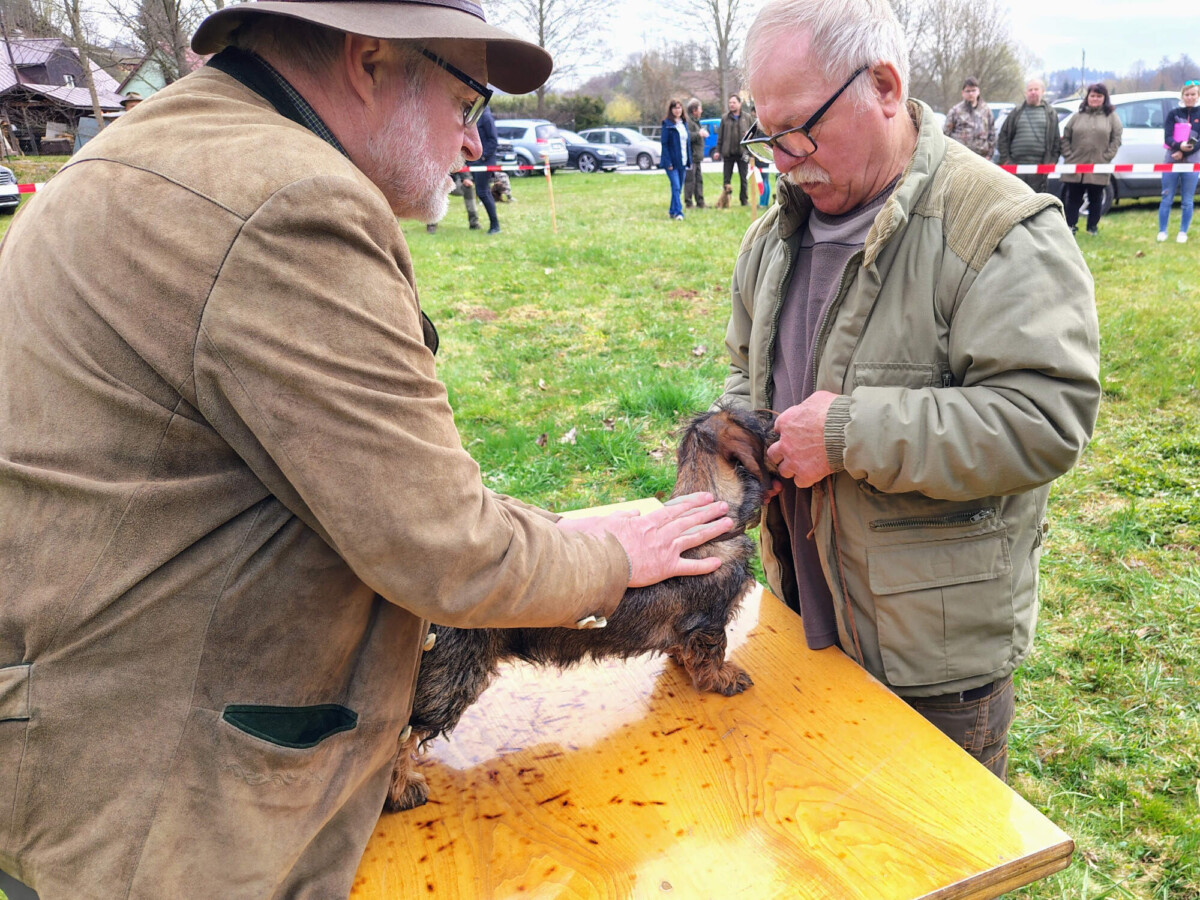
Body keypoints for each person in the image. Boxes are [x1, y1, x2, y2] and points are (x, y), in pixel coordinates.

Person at [0, 0, 736, 896]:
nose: (473, 144)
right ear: (371, 59)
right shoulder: (290, 202)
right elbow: (444, 547)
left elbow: (348, 480)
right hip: (178, 816)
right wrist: (616, 557)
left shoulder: (141, 151)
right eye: (467, 104)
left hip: (80, 748)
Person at [724, 0, 1100, 780]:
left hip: (930, 670)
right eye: (768, 136)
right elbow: (746, 368)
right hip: (799, 622)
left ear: (885, 87)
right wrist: (739, 435)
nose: (783, 159)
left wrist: (846, 434)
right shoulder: (772, 237)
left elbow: (1043, 419)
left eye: (798, 129)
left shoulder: (996, 227)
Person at [1060, 82, 1122, 236]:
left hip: (1099, 165)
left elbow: (1116, 139)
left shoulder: (1112, 118)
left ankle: (1092, 227)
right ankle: (1070, 227)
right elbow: (1065, 137)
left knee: (1096, 198)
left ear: (1104, 98)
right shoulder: (1077, 116)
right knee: (1073, 198)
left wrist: (1106, 157)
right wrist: (1069, 155)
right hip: (1075, 165)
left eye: (1099, 96)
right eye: (1092, 95)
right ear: (1088, 97)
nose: (1095, 99)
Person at [997, 77, 1062, 192]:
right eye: (1030, 90)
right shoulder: (1016, 112)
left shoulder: (1051, 114)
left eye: (1036, 89)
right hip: (1015, 167)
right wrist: (1006, 160)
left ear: (1042, 91)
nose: (1033, 92)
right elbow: (1003, 136)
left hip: (1040, 168)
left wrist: (1052, 161)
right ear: (1026, 92)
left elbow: (1056, 141)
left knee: (1036, 201)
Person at [1158, 79, 1200, 244]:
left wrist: (1185, 151)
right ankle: (1163, 231)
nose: (1189, 97)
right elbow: (1167, 136)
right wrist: (1177, 148)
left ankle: (1183, 231)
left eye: (1193, 94)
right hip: (1171, 160)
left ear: (1197, 96)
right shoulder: (1173, 113)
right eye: (1186, 94)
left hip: (1192, 161)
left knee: (1187, 200)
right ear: (1182, 95)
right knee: (1166, 197)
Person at [942, 76, 995, 158]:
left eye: (973, 90)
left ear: (978, 91)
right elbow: (946, 135)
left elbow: (992, 134)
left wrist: (989, 154)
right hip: (961, 157)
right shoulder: (955, 111)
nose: (971, 93)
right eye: (968, 91)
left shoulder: (986, 111)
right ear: (963, 93)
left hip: (982, 158)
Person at [715, 93, 751, 205]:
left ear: (740, 104)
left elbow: (752, 136)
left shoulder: (747, 118)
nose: (731, 105)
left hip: (743, 153)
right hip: (728, 153)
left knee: (743, 178)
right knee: (726, 179)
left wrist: (751, 152)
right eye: (730, 103)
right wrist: (717, 151)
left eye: (734, 102)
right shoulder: (724, 118)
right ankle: (725, 201)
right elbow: (720, 136)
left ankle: (744, 200)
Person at [471, 105, 501, 233]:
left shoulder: (486, 116)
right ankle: (494, 225)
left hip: (485, 161)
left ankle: (495, 226)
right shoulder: (476, 115)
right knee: (483, 192)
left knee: (483, 192)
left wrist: (482, 157)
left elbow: (493, 141)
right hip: (477, 162)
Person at [660, 98, 691, 220]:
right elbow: (664, 144)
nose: (677, 110)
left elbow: (687, 143)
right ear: (671, 110)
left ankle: (672, 211)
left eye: (679, 108)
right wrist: (668, 162)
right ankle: (678, 212)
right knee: (676, 186)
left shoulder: (684, 124)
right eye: (675, 108)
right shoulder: (667, 125)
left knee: (679, 188)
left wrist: (689, 160)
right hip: (672, 162)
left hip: (682, 161)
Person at [684, 97, 707, 209]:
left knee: (699, 180)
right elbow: (686, 136)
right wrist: (699, 134)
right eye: (700, 109)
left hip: (697, 157)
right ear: (694, 110)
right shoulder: (688, 122)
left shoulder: (696, 122)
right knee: (690, 181)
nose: (701, 111)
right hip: (691, 157)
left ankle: (700, 202)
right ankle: (689, 203)